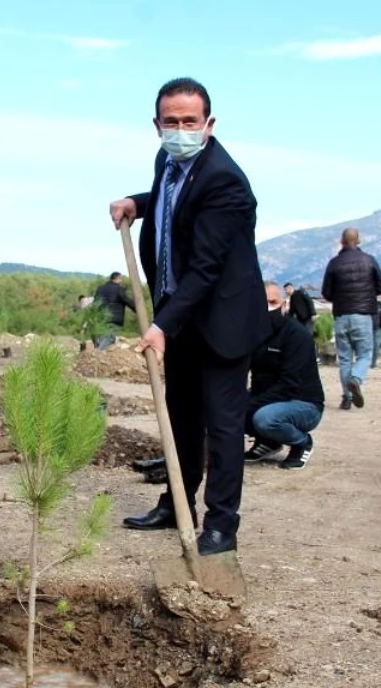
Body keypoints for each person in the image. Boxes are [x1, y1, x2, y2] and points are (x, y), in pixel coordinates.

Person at [108, 77, 268, 557]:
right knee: (180, 419)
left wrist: (159, 326)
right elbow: (174, 202)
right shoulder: (170, 161)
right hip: (181, 316)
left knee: (221, 428)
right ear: (157, 124)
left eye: (189, 122)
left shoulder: (224, 179)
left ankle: (221, 525)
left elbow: (205, 269)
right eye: (171, 122)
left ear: (208, 124)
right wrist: (139, 202)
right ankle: (177, 505)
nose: (180, 129)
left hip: (221, 320)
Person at [245, 283, 324, 470]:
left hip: (303, 403)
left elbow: (289, 385)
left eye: (273, 302)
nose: (268, 308)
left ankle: (301, 442)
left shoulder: (297, 335)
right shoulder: (253, 334)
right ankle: (268, 442)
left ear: (284, 304)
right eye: (261, 303)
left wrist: (250, 405)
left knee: (264, 418)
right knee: (225, 408)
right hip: (269, 398)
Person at [321, 227, 381, 410]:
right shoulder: (369, 261)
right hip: (363, 314)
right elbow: (380, 288)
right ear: (359, 240)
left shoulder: (334, 263)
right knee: (365, 354)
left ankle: (347, 397)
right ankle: (356, 379)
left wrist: (340, 298)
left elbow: (326, 292)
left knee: (345, 358)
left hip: (341, 315)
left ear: (341, 241)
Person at [92, 271, 136, 349]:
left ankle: (98, 356)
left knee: (103, 338)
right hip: (113, 319)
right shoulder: (119, 289)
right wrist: (136, 309)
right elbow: (126, 300)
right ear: (118, 278)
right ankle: (97, 354)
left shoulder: (100, 289)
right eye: (121, 279)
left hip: (101, 319)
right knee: (110, 338)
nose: (121, 281)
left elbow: (95, 303)